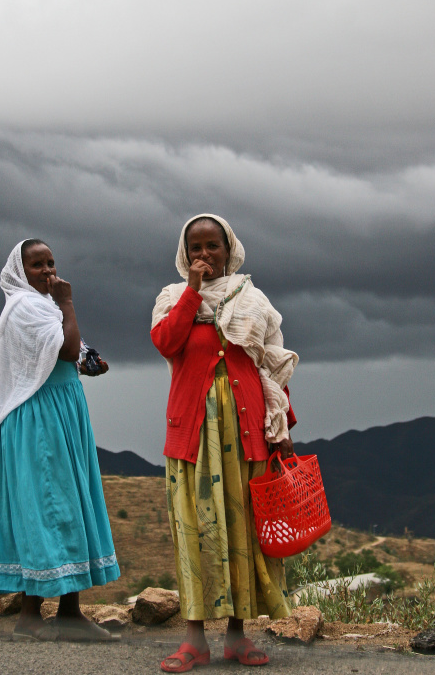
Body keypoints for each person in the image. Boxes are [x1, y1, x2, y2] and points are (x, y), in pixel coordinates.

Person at [151, 214, 299, 671]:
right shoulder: (173, 298)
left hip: (248, 431)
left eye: (212, 246)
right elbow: (166, 342)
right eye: (195, 248)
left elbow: (271, 367)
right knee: (196, 533)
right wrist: (193, 289)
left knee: (243, 534)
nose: (204, 255)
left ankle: (237, 636)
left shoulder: (252, 300)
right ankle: (194, 640)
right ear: (184, 254)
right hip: (193, 435)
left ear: (229, 249)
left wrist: (284, 431)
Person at [0, 239, 120, 641]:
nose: (48, 271)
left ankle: (60, 613)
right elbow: (66, 349)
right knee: (50, 504)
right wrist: (68, 303)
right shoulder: (26, 307)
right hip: (39, 418)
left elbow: (72, 353)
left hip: (60, 412)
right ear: (19, 272)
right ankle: (44, 616)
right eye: (37, 265)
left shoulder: (40, 307)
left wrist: (88, 362)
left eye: (51, 262)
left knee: (66, 503)